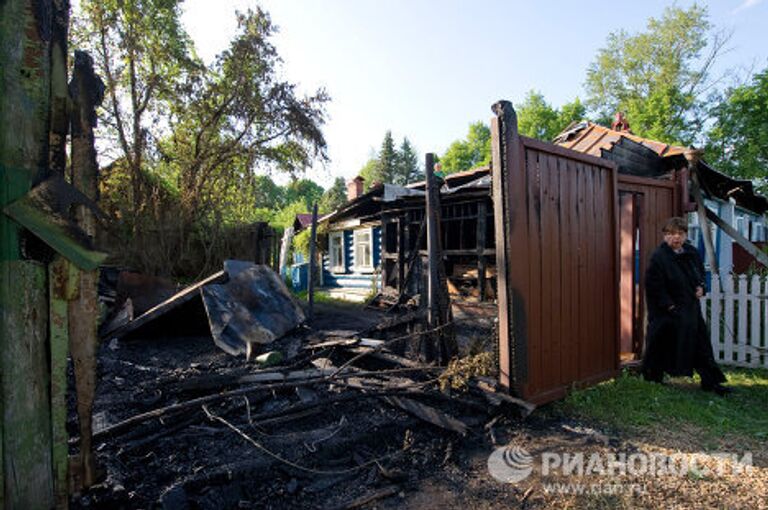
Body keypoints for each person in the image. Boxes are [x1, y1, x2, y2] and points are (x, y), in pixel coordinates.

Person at [642, 217, 731, 395]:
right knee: (660, 343)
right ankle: (653, 378)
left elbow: (699, 275)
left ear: (685, 235)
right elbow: (654, 286)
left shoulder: (691, 252)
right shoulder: (659, 257)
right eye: (672, 234)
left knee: (701, 344)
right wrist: (670, 306)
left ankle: (711, 382)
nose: (676, 238)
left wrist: (701, 288)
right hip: (666, 312)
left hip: (690, 308)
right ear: (665, 236)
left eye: (680, 234)